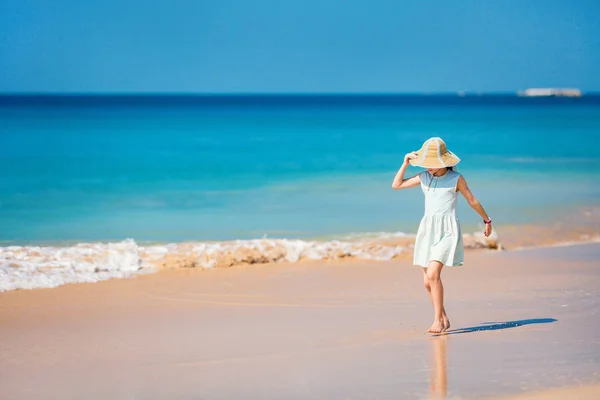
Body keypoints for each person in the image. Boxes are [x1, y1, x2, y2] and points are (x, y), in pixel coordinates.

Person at [391, 137, 492, 334]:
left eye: (432, 163)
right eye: (425, 163)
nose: (428, 167)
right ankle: (444, 318)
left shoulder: (456, 179)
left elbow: (471, 200)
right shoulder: (423, 177)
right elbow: (397, 185)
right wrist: (404, 164)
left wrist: (486, 220)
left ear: (443, 162)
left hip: (447, 230)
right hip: (427, 230)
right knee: (427, 281)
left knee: (433, 274)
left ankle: (437, 320)